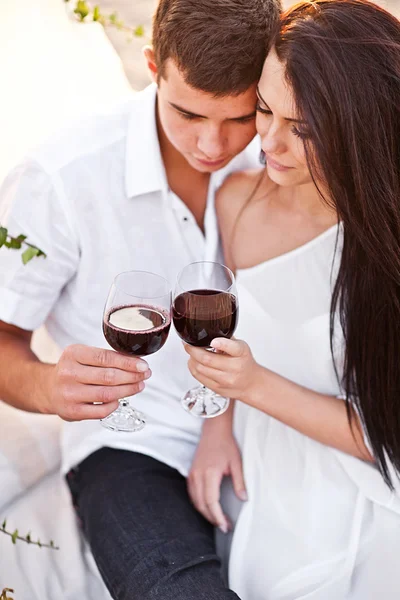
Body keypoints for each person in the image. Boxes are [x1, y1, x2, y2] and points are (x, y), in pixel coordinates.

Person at [0, 0, 281, 598]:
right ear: (153, 66)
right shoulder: (62, 177)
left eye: (238, 117)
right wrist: (50, 386)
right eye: (187, 113)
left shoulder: (283, 152)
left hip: (269, 422)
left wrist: (224, 423)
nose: (212, 144)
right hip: (126, 442)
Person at [185, 1, 400, 598]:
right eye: (263, 108)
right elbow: (214, 326)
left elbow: (385, 437)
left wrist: (253, 386)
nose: (270, 142)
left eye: (302, 129)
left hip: (364, 473)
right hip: (267, 463)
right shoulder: (234, 201)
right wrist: (217, 428)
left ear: (358, 129)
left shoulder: (384, 240)